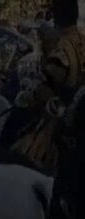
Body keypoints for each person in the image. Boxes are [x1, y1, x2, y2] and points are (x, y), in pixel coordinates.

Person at [13, 0, 84, 175]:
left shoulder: (61, 51)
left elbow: (46, 89)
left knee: (19, 148)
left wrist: (32, 93)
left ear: (56, 19)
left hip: (67, 118)